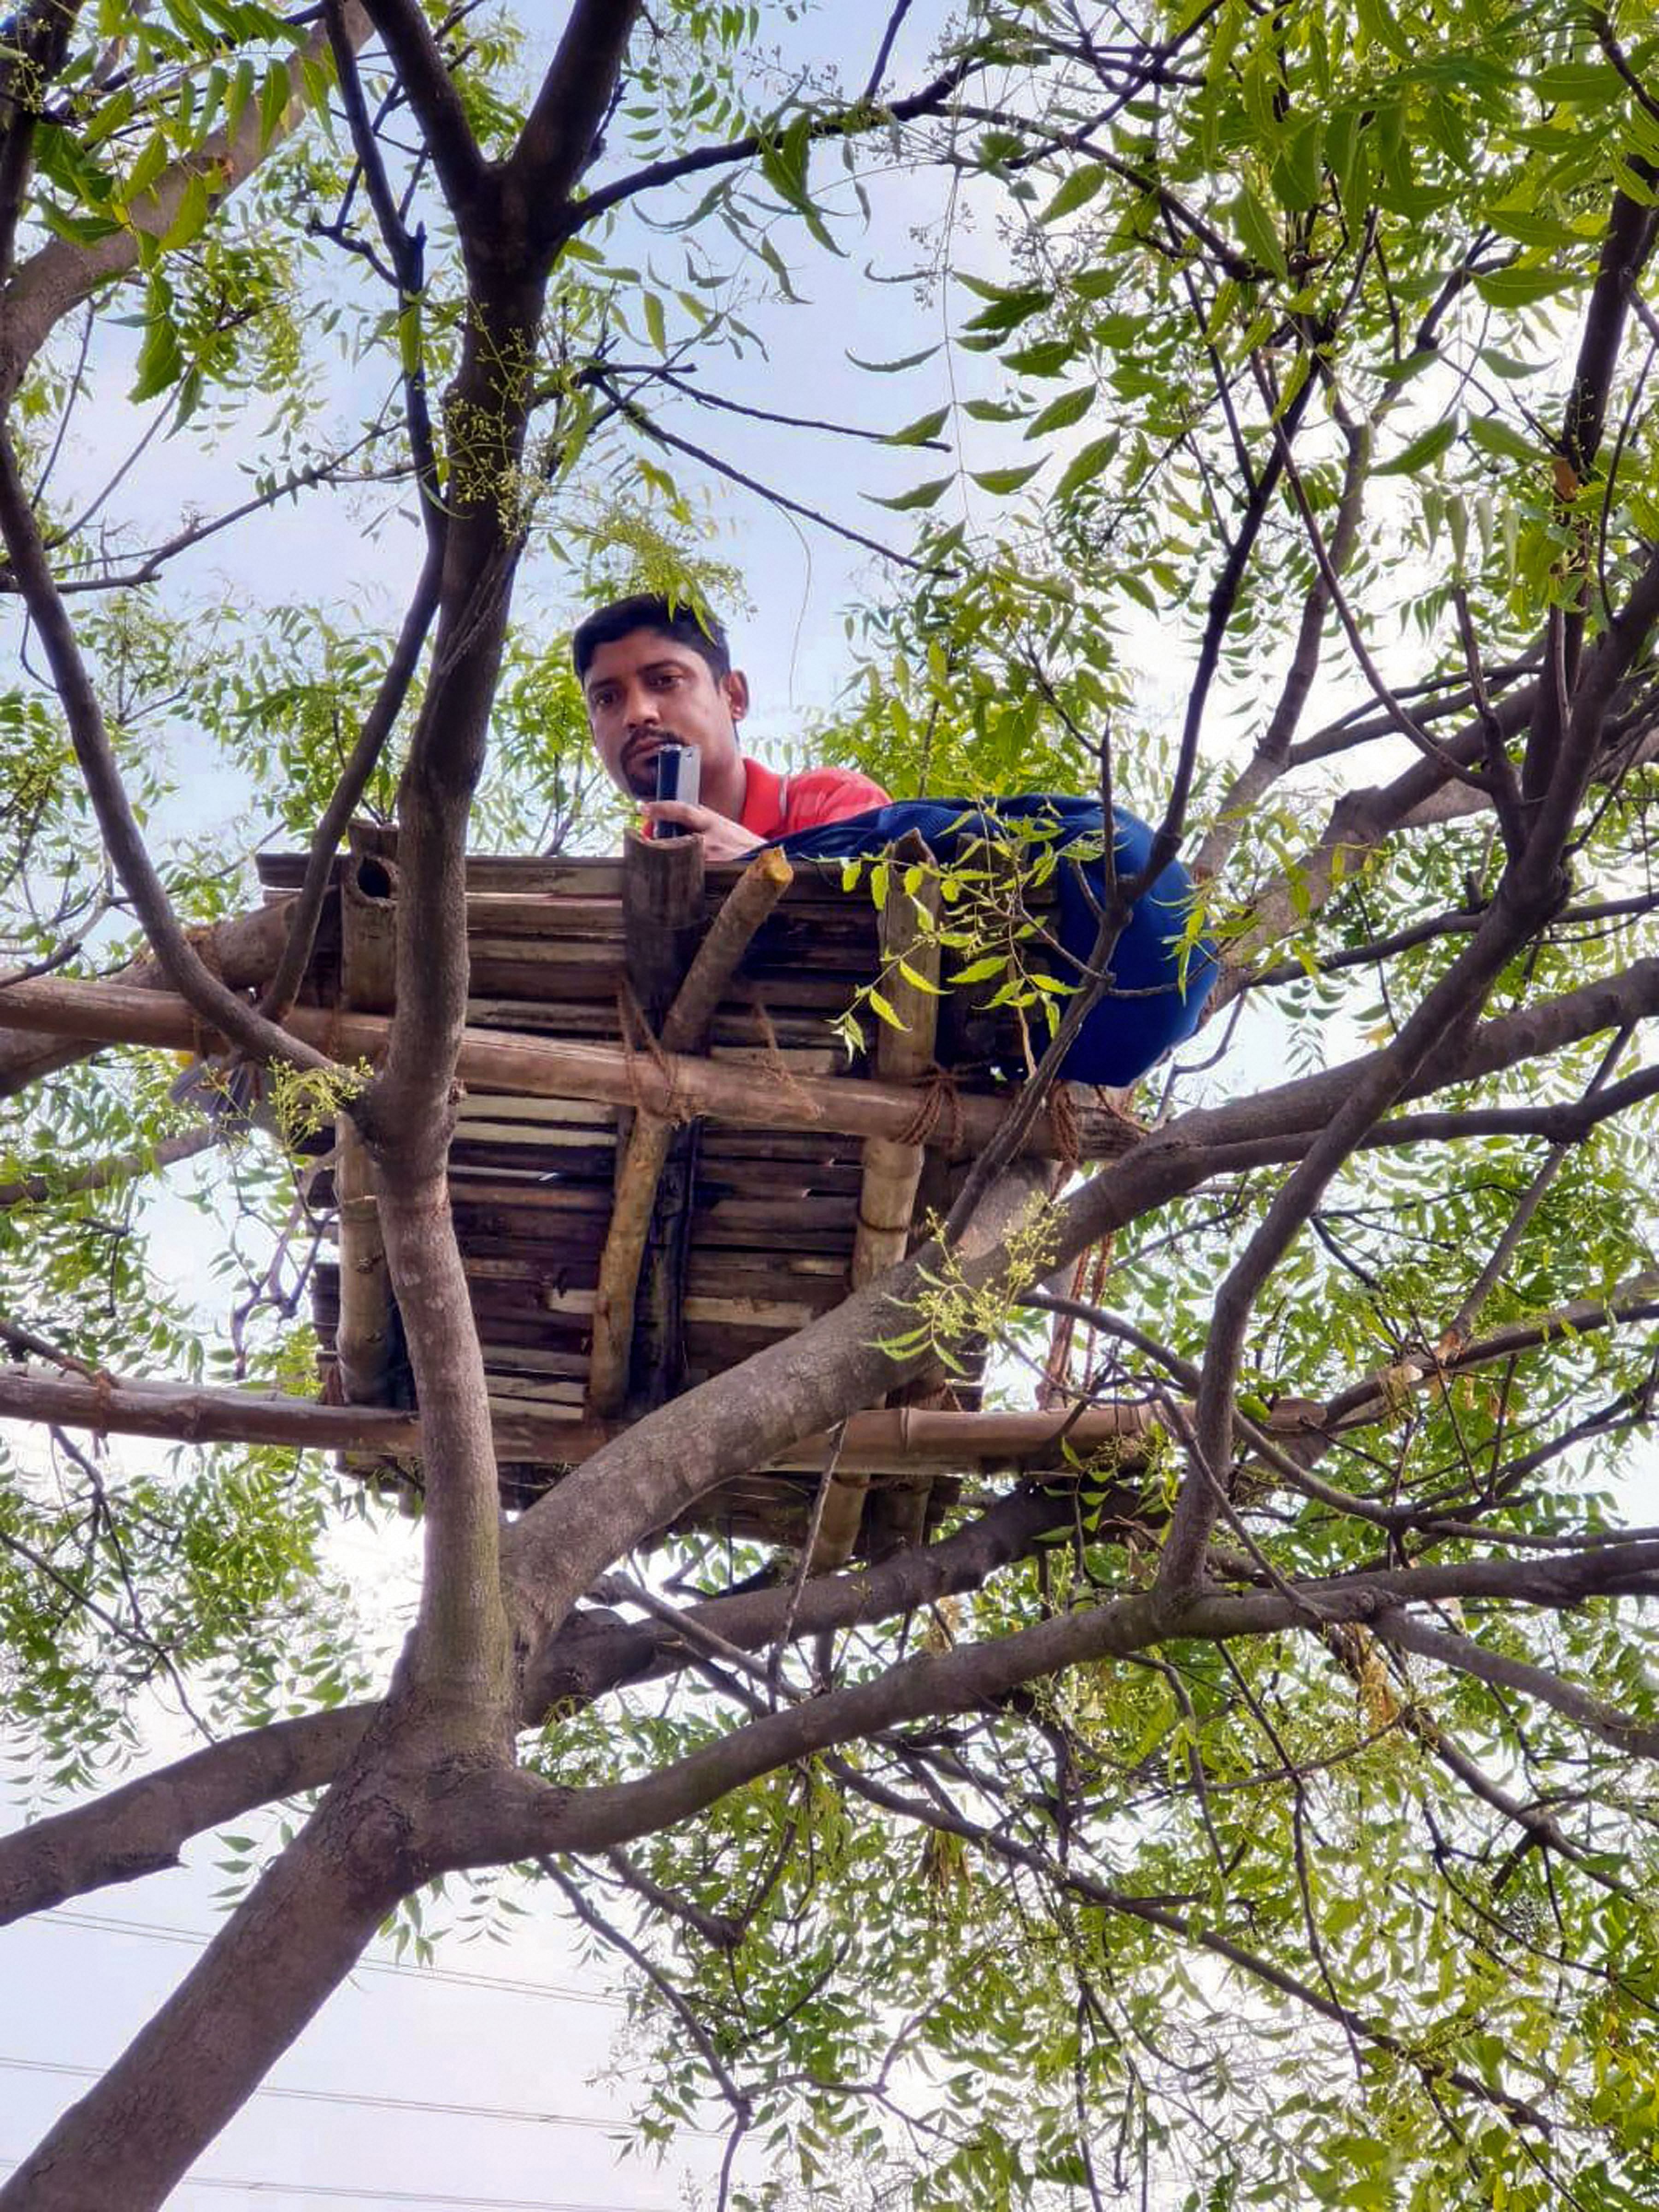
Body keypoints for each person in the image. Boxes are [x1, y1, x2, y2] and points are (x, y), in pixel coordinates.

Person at [573, 594, 888, 863]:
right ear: (593, 735)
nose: (638, 713)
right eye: (607, 699)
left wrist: (758, 862)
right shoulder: (628, 873)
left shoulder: (831, 802)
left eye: (665, 681)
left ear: (734, 696)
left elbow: (886, 923)